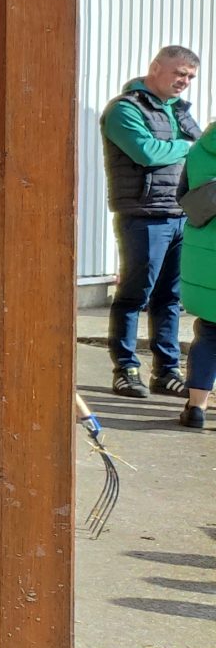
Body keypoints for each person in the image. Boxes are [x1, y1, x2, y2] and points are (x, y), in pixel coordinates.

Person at [102, 46, 201, 398]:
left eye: (190, 76)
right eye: (179, 73)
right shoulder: (124, 109)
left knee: (170, 298)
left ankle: (166, 371)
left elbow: (202, 148)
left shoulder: (180, 112)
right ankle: (126, 369)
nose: (184, 82)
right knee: (134, 295)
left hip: (181, 215)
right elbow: (145, 152)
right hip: (143, 216)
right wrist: (186, 146)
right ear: (156, 67)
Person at [177, 118, 216, 430]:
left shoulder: (199, 150)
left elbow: (184, 198)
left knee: (208, 333)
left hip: (204, 262)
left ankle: (196, 409)